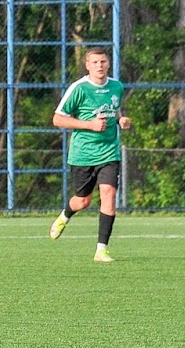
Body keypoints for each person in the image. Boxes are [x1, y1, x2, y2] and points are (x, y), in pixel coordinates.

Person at [49, 47, 132, 262]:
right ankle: (65, 214)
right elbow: (58, 119)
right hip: (83, 154)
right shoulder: (79, 88)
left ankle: (101, 249)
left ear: (109, 63)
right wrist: (89, 125)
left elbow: (114, 109)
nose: (99, 66)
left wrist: (121, 119)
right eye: (95, 62)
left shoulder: (117, 86)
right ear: (87, 65)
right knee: (83, 201)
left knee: (109, 194)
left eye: (103, 62)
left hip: (109, 152)